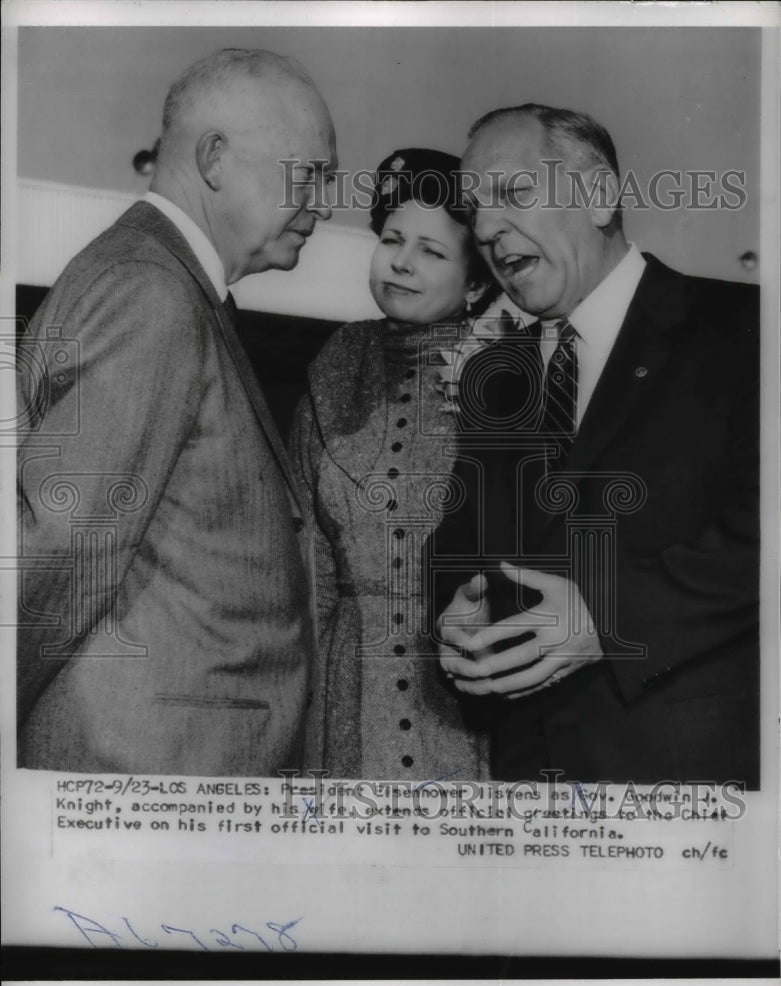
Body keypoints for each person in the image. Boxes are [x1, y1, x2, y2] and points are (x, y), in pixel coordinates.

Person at [16, 48, 337, 775]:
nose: (324, 202)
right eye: (309, 172)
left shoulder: (164, 282)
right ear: (215, 158)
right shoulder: (150, 292)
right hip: (141, 767)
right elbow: (60, 549)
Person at [431, 104, 759, 786]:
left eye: (513, 194)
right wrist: (454, 608)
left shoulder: (747, 329)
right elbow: (464, 536)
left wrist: (607, 617)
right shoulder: (499, 378)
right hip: (527, 778)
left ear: (601, 195)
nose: (487, 229)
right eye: (473, 211)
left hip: (691, 784)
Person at [289, 148, 499, 778]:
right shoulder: (334, 361)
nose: (401, 262)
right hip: (343, 685)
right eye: (391, 239)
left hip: (463, 687)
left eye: (432, 251)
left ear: (477, 282)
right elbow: (307, 557)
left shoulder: (510, 374)